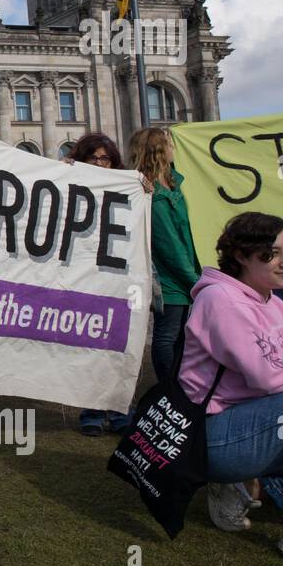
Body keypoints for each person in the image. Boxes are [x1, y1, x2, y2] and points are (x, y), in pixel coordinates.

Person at [177, 212, 283, 566]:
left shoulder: (275, 304)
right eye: (271, 253)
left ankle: (236, 484)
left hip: (245, 426)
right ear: (240, 256)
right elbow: (269, 378)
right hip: (206, 436)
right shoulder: (220, 300)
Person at [66, 132, 151, 436]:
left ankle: (120, 409)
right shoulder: (71, 183)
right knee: (91, 345)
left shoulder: (130, 187)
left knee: (120, 346)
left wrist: (145, 192)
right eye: (94, 158)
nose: (101, 163)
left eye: (106, 158)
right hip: (88, 275)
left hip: (121, 277)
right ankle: (91, 411)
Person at [130, 127, 198, 383]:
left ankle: (179, 387)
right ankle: (169, 390)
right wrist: (195, 280)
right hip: (171, 279)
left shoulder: (174, 184)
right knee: (168, 336)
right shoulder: (155, 196)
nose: (173, 149)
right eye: (169, 144)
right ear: (158, 150)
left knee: (182, 336)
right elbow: (168, 245)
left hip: (186, 273)